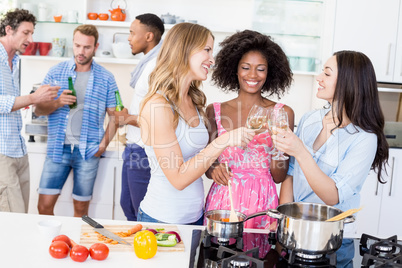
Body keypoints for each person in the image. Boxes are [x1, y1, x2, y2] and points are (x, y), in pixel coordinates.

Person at [275, 50, 389, 267]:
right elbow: (290, 173)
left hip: (333, 240)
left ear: (349, 83)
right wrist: (283, 221)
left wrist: (300, 151)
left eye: (327, 74)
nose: (319, 78)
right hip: (295, 233)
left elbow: (332, 196)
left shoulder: (364, 138)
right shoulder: (310, 119)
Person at [137, 23, 256, 225]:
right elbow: (178, 178)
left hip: (195, 217)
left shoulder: (193, 100)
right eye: (207, 50)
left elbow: (196, 160)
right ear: (184, 50)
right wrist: (224, 141)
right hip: (162, 220)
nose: (212, 59)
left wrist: (218, 165)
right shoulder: (158, 106)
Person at [35, 24, 120, 217]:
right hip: (58, 148)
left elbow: (116, 117)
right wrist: (57, 103)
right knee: (44, 206)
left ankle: (77, 247)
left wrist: (102, 146)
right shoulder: (56, 73)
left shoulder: (106, 78)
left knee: (81, 210)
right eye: (77, 45)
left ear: (95, 47)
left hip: (88, 151)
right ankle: (53, 245)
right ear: (72, 44)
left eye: (87, 47)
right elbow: (38, 110)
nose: (81, 52)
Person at [0, 9, 58, 213]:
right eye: (26, 32)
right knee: (12, 219)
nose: (30, 39)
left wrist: (40, 99)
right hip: (2, 153)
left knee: (22, 215)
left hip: (18, 149)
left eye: (32, 33)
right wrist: (33, 98)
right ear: (9, 30)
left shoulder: (15, 62)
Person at [114, 13, 164, 221]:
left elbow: (158, 117)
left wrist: (126, 119)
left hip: (143, 150)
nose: (128, 38)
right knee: (128, 205)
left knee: (139, 212)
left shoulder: (155, 67)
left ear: (149, 36)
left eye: (133, 33)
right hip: (134, 146)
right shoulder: (147, 64)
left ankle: (144, 251)